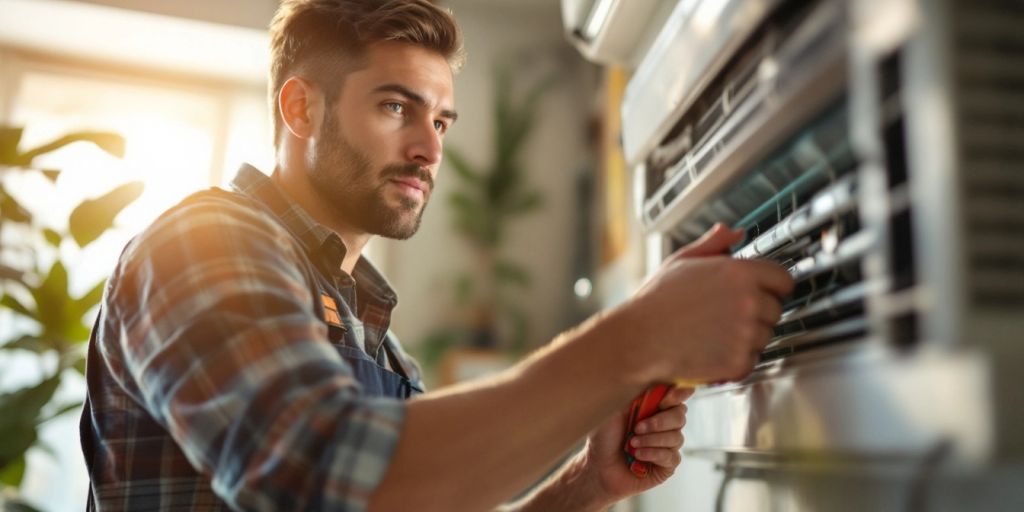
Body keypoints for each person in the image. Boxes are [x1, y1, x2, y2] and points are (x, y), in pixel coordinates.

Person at [79, 1, 793, 510]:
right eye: (396, 107)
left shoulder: (379, 344)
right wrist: (637, 337)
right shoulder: (201, 244)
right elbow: (324, 481)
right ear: (301, 110)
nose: (430, 147)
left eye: (441, 118)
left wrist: (588, 486)